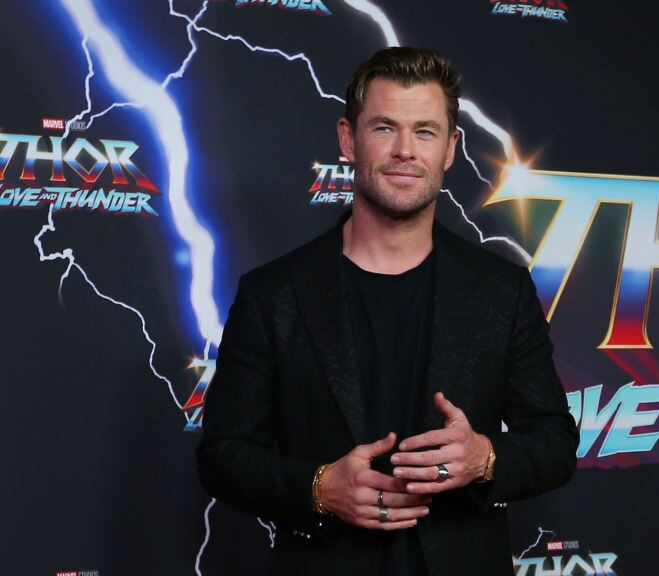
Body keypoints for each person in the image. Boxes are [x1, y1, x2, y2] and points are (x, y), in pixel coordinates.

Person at [196, 47, 579, 576]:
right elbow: (222, 455)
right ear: (348, 139)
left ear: (450, 148)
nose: (405, 151)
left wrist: (484, 458)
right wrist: (318, 488)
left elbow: (555, 441)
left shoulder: (501, 290)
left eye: (425, 131)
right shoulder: (273, 294)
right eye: (384, 128)